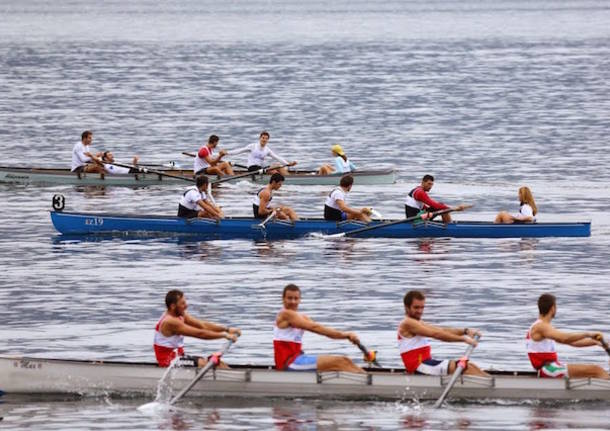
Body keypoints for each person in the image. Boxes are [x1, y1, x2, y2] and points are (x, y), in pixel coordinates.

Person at [273, 284, 364, 373]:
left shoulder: (301, 317)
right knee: (340, 361)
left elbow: (323, 330)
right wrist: (346, 335)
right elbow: (315, 327)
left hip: (298, 358)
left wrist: (348, 336)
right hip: (287, 363)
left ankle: (365, 377)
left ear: (300, 300)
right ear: (283, 299)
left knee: (346, 360)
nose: (293, 302)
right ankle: (368, 381)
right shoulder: (285, 314)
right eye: (289, 298)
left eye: (296, 298)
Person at [397, 290, 489, 377]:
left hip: (427, 364)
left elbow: (442, 331)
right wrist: (463, 339)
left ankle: (493, 383)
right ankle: (495, 389)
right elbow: (436, 334)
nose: (420, 311)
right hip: (419, 367)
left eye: (422, 307)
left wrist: (466, 331)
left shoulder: (418, 322)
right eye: (416, 307)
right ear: (406, 307)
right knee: (465, 367)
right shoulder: (407, 323)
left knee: (470, 365)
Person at [526, 293, 608, 379]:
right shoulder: (541, 327)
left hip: (551, 367)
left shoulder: (545, 327)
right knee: (596, 370)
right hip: (548, 369)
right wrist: (588, 334)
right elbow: (564, 338)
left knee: (596, 371)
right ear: (553, 308)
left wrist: (596, 342)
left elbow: (572, 342)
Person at [154, 289, 240, 368]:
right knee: (208, 364)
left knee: (218, 363)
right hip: (169, 362)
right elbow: (200, 334)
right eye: (182, 303)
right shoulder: (170, 322)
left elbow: (203, 325)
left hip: (179, 357)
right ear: (173, 306)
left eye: (185, 302)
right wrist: (224, 335)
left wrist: (227, 329)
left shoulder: (180, 314)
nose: (186, 305)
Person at [229, 131, 297, 176]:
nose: (264, 140)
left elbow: (277, 157)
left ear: (268, 140)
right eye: (263, 138)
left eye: (266, 138)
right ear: (260, 138)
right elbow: (239, 151)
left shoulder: (267, 150)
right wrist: (227, 153)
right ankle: (286, 179)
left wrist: (288, 164)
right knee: (275, 171)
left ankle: (289, 177)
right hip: (252, 169)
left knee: (278, 166)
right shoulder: (252, 146)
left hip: (261, 168)